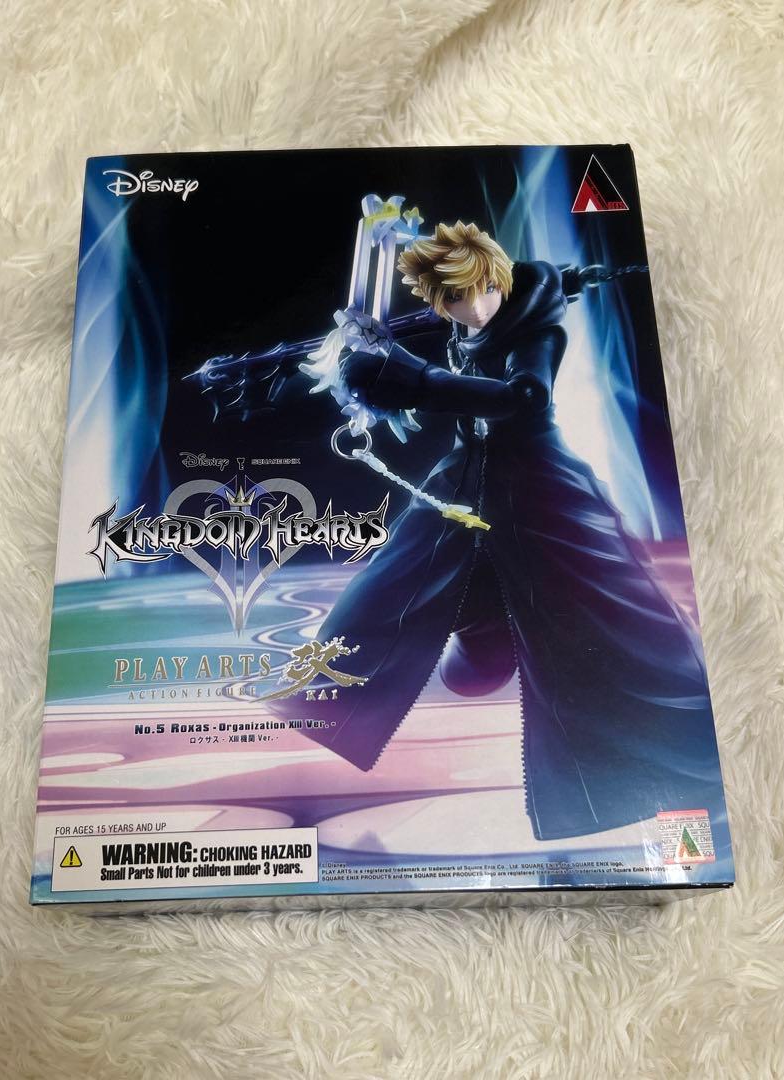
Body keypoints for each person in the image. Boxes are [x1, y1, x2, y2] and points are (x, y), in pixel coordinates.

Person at [267, 222, 726, 841]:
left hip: (541, 480)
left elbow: (526, 396)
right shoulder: (460, 322)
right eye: (454, 298)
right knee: (391, 583)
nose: (472, 307)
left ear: (500, 280)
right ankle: (343, 697)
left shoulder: (538, 326)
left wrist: (418, 382)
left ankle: (667, 764)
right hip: (465, 474)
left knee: (618, 617)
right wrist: (374, 378)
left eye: (481, 290)